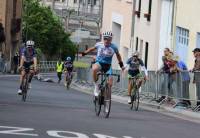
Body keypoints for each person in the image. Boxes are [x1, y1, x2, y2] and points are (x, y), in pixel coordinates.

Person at [82, 31, 125, 97]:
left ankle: (105, 97)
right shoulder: (99, 44)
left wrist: (121, 65)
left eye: (109, 39)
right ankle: (96, 85)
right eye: (105, 38)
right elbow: (91, 49)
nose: (107, 40)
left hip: (108, 65)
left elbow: (118, 55)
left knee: (110, 83)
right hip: (99, 63)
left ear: (111, 39)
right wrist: (84, 53)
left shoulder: (114, 47)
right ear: (103, 38)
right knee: (94, 69)